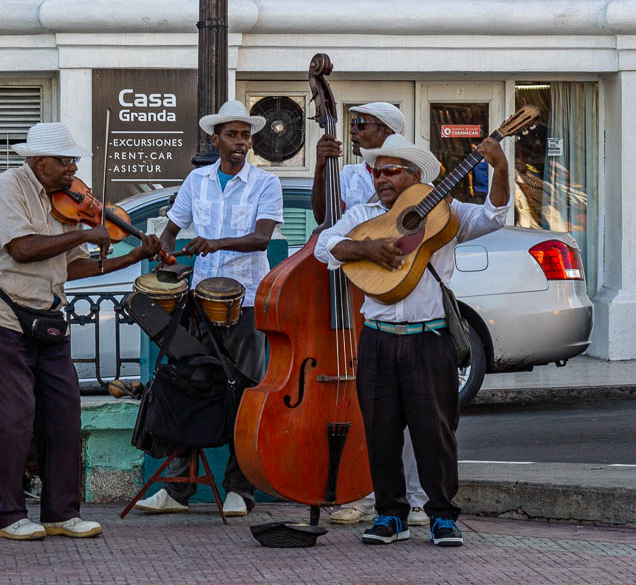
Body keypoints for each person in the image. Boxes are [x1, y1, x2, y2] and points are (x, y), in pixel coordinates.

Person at [0, 122, 161, 541]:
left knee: (64, 414)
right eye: (64, 161)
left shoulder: (68, 203)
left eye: (74, 161)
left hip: (46, 318)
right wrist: (86, 232)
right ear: (38, 160)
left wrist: (136, 253)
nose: (72, 169)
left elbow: (77, 267)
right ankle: (9, 515)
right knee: (13, 418)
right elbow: (22, 248)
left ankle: (61, 512)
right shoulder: (9, 186)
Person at [313, 133, 510, 547]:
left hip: (430, 338)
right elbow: (325, 247)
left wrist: (501, 167)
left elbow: (494, 216)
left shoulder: (448, 213)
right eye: (377, 171)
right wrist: (364, 247)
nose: (381, 178)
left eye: (391, 171)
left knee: (435, 431)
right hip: (378, 339)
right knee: (381, 433)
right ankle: (391, 515)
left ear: (415, 176)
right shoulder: (365, 216)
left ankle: (441, 516)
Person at [133, 100, 284, 518]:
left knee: (245, 393)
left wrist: (213, 244)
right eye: (232, 135)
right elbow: (171, 230)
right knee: (191, 389)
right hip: (199, 301)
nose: (241, 143)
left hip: (247, 302)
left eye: (245, 135)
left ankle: (240, 490)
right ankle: (177, 488)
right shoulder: (197, 181)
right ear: (214, 139)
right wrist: (163, 254)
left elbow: (260, 239)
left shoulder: (265, 184)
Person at [311, 102, 429, 527]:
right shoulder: (347, 175)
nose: (355, 131)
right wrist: (321, 167)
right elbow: (325, 222)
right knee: (376, 412)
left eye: (363, 125)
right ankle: (365, 492)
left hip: (399, 292)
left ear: (388, 131)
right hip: (356, 291)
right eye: (353, 124)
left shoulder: (414, 188)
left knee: (415, 411)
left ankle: (416, 497)